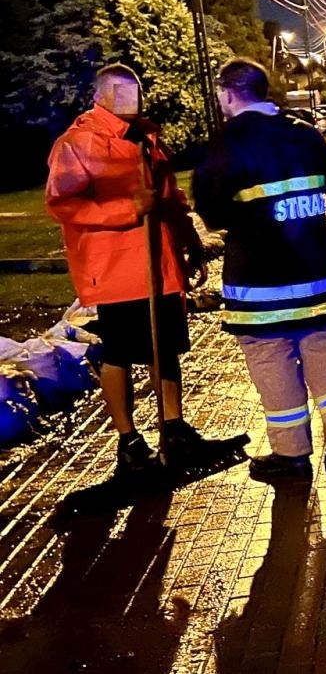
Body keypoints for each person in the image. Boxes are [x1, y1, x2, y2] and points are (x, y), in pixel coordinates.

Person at [193, 58, 326, 482]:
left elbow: (211, 214)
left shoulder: (227, 144)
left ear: (228, 93)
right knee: (324, 352)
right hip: (314, 274)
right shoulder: (305, 136)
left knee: (273, 362)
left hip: (260, 285)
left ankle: (292, 457)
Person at [45, 64, 211, 480]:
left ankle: (174, 427)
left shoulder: (146, 138)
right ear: (102, 95)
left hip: (160, 264)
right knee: (120, 351)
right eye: (124, 91)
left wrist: (189, 242)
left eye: (136, 90)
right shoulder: (79, 143)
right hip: (115, 270)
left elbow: (169, 197)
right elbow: (63, 204)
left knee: (166, 346)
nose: (133, 98)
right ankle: (130, 441)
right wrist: (126, 210)